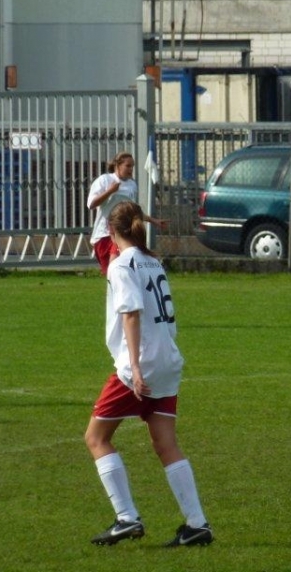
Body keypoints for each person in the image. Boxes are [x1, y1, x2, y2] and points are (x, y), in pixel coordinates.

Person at [84, 200, 213, 548]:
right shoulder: (153, 261)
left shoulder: (122, 264)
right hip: (169, 358)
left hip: (140, 365)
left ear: (111, 231)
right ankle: (197, 524)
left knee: (96, 438)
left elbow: (131, 314)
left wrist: (136, 369)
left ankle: (127, 518)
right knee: (165, 443)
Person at [87, 152, 166, 275]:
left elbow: (131, 211)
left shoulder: (132, 185)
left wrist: (153, 220)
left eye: (132, 166)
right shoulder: (105, 180)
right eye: (128, 166)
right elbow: (91, 204)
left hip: (123, 234)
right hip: (104, 235)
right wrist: (110, 191)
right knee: (112, 273)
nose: (131, 169)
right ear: (117, 166)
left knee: (124, 271)